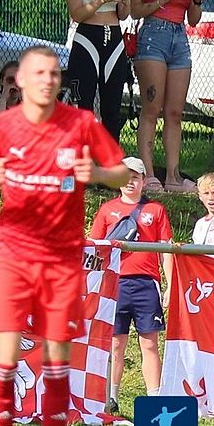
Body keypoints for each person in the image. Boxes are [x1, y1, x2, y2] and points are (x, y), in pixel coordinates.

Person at [0, 45, 128, 426]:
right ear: (20, 80)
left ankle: (56, 417)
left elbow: (122, 172)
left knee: (57, 355)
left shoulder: (81, 123)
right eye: (39, 73)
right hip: (13, 254)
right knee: (5, 353)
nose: (48, 80)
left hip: (62, 256)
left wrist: (100, 175)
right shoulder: (1, 128)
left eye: (54, 74)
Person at [89, 156, 173, 413]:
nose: (129, 181)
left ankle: (155, 401)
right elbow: (95, 250)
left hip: (146, 283)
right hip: (115, 283)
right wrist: (94, 285)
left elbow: (166, 250)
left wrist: (169, 284)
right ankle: (110, 398)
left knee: (149, 342)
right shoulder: (106, 210)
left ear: (143, 181)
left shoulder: (156, 210)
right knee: (115, 342)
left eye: (135, 177)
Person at [130, 0, 210, 193]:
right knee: (151, 108)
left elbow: (193, 19)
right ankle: (149, 174)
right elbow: (135, 9)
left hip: (179, 38)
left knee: (175, 112)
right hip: (153, 35)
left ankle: (173, 177)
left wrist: (197, 1)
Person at [63, 0, 130, 141]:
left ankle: (111, 164)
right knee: (83, 106)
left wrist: (124, 0)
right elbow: (77, 14)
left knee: (112, 108)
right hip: (87, 38)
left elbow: (123, 14)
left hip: (114, 39)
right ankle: (82, 162)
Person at [193, 172, 214, 245]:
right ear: (200, 196)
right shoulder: (200, 224)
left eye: (213, 193)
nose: (211, 198)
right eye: (206, 193)